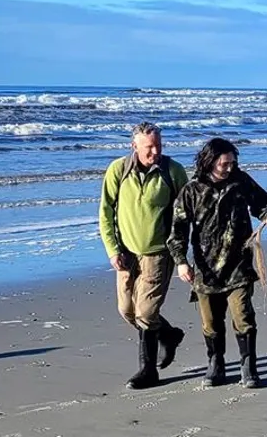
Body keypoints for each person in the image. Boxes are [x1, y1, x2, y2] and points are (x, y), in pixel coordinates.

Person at [168, 137, 267, 388]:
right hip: (206, 269)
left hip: (239, 264)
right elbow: (178, 229)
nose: (230, 168)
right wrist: (181, 262)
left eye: (232, 163)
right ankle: (216, 364)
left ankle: (248, 367)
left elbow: (261, 201)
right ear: (210, 162)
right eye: (224, 164)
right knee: (211, 322)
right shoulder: (192, 190)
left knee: (243, 316)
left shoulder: (241, 181)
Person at [98, 121, 190, 390]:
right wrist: (112, 250)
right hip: (126, 254)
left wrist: (182, 255)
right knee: (127, 310)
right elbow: (105, 212)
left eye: (159, 145)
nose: (155, 152)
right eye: (149, 147)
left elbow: (186, 214)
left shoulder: (173, 171)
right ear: (134, 146)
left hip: (159, 253)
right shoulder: (118, 170)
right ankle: (169, 335)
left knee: (146, 313)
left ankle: (148, 371)